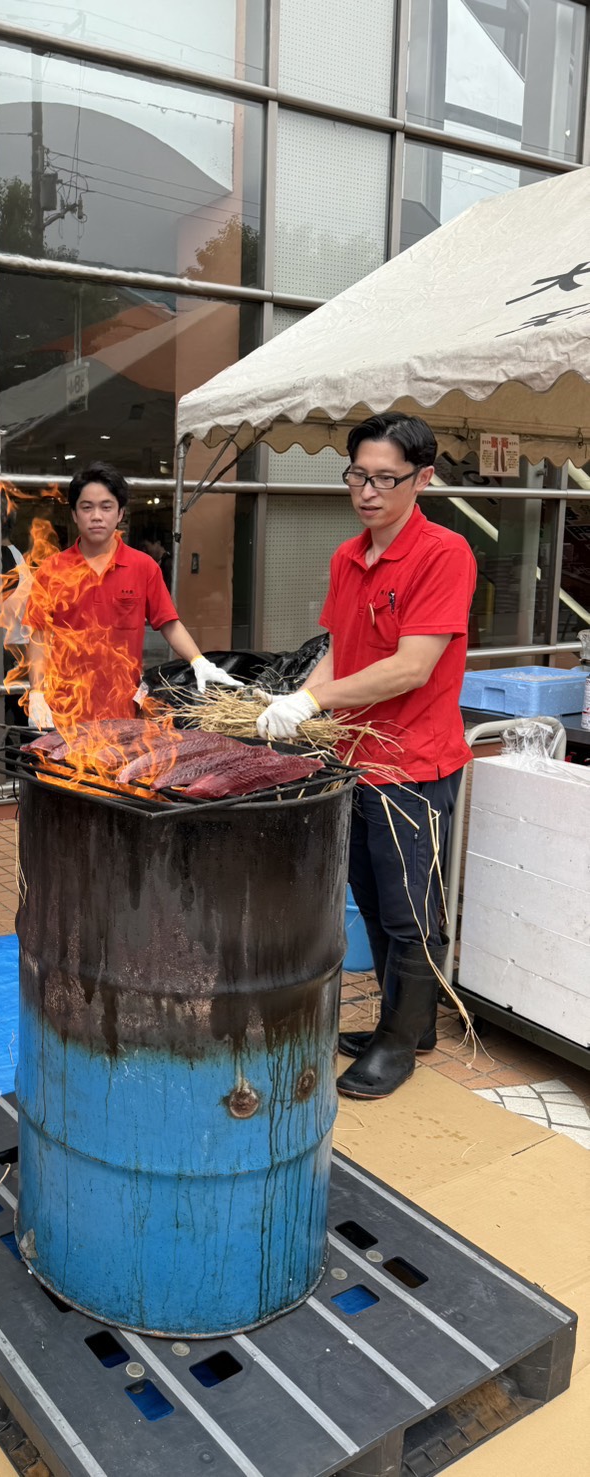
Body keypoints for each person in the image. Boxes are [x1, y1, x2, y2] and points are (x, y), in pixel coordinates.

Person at [256, 413, 477, 1102]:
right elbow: (339, 649)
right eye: (358, 475)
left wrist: (314, 704)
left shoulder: (445, 554)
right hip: (352, 759)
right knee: (373, 900)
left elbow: (412, 667)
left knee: (410, 909)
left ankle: (398, 1043)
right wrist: (297, 698)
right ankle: (404, 1024)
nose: (369, 491)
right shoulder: (347, 556)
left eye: (387, 478)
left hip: (414, 763)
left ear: (423, 479)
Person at [25, 462, 239, 728]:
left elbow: (169, 623)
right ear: (74, 514)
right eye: (86, 507)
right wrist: (37, 691)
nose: (96, 516)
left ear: (120, 513)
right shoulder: (52, 569)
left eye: (106, 506)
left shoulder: (143, 566)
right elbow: (39, 635)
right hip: (65, 709)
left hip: (123, 710)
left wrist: (198, 660)